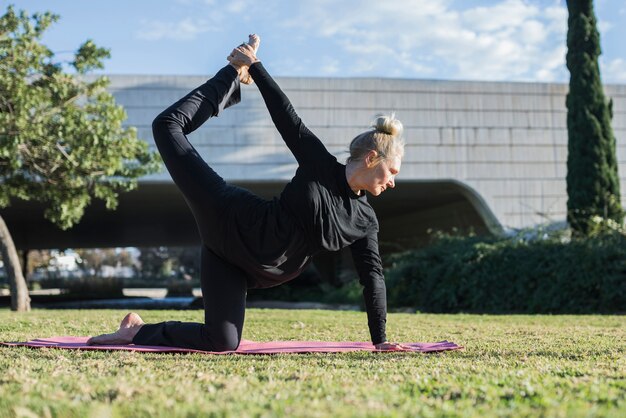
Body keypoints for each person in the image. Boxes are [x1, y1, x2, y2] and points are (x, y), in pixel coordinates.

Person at [88, 35, 410, 351]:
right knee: (167, 126)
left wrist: (380, 340)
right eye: (392, 171)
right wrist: (251, 67)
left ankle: (136, 331)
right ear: (371, 159)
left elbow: (372, 277)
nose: (393, 181)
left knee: (222, 342)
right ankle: (229, 78)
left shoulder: (364, 220)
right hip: (229, 218)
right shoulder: (320, 165)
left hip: (237, 267)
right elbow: (287, 116)